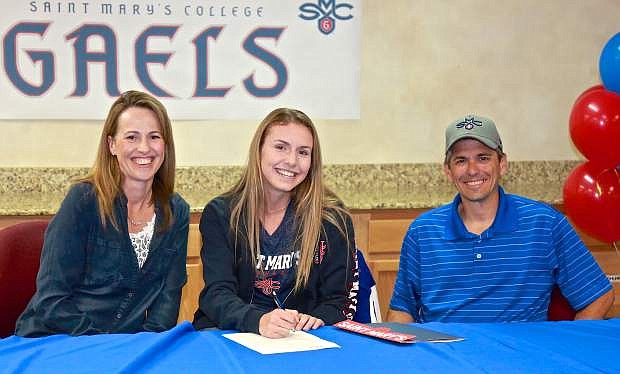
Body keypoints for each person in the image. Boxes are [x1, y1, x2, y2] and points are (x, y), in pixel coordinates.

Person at [387, 115, 614, 323]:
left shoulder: (544, 224)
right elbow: (401, 310)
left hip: (520, 362)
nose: (472, 170)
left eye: (483, 158)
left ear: (502, 163)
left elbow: (599, 296)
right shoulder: (422, 231)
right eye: (461, 160)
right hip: (447, 359)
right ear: (448, 171)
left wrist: (566, 350)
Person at [15, 90, 189, 337]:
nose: (144, 148)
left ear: (165, 145)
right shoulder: (83, 201)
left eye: (154, 137)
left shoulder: (176, 212)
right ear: (112, 145)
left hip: (125, 347)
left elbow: (167, 300)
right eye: (131, 137)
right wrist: (103, 347)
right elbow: (52, 299)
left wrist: (147, 346)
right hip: (59, 338)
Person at [193, 108, 358, 338]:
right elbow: (216, 294)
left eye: (303, 152)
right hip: (234, 333)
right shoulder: (222, 214)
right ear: (259, 150)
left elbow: (337, 301)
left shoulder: (332, 219)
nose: (291, 161)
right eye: (280, 147)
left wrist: (317, 319)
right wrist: (257, 321)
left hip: (300, 340)